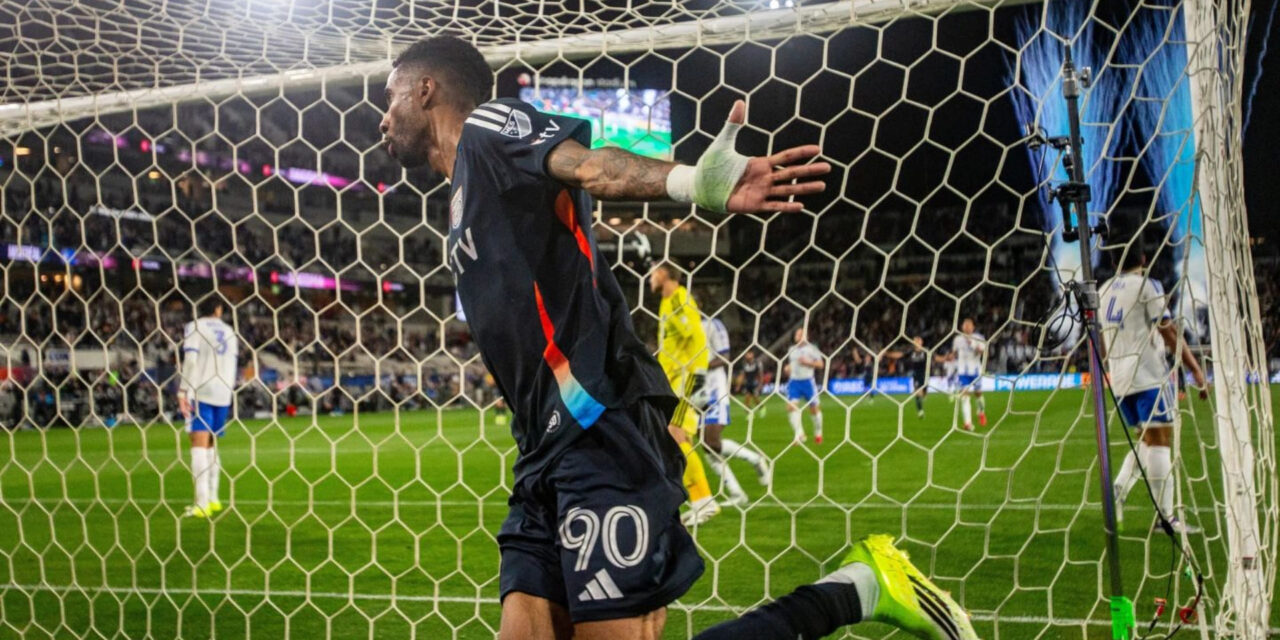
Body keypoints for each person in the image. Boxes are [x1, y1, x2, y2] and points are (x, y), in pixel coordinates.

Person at [378, 35, 976, 640]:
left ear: (426, 89)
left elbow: (592, 166)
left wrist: (695, 183)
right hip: (540, 448)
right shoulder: (463, 192)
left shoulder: (486, 128)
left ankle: (858, 588)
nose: (381, 117)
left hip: (597, 427)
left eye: (390, 94)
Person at [1101, 246, 1209, 534]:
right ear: (1143, 259)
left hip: (1120, 380)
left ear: (1114, 261)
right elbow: (1168, 330)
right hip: (1147, 374)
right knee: (1160, 441)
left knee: (1147, 443)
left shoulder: (1103, 290)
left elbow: (1102, 339)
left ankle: (1120, 488)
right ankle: (1166, 519)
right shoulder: (1148, 286)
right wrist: (1195, 369)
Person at [649, 263, 719, 526]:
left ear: (666, 275)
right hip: (675, 377)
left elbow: (690, 331)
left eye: (655, 272)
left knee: (675, 435)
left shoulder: (678, 297)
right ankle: (701, 499)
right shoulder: (667, 302)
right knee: (675, 436)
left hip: (688, 376)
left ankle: (705, 501)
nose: (651, 277)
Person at [701, 315, 771, 508]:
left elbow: (724, 356)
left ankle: (756, 460)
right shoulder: (680, 327)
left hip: (715, 389)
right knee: (707, 446)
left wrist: (699, 366)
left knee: (712, 440)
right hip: (695, 392)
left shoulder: (713, 324)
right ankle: (737, 493)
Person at [177, 296, 238, 519]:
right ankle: (213, 499)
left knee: (198, 445)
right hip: (223, 392)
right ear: (219, 309)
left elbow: (191, 360)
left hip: (201, 390)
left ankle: (201, 503)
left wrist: (183, 390)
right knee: (212, 445)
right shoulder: (230, 331)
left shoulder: (195, 326)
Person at [785, 328, 826, 444]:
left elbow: (821, 364)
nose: (798, 336)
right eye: (797, 334)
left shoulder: (812, 349)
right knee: (790, 407)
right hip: (794, 382)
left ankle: (818, 433)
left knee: (814, 409)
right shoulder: (791, 349)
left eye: (801, 334)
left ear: (806, 336)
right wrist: (788, 368)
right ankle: (800, 434)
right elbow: (792, 364)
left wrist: (808, 362)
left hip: (808, 382)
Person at [946, 319, 986, 431]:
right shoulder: (957, 339)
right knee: (964, 396)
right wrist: (949, 357)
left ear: (973, 327)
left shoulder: (979, 338)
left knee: (978, 394)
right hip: (962, 371)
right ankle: (968, 423)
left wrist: (972, 344)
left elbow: (981, 352)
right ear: (962, 327)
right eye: (965, 325)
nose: (967, 327)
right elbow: (954, 353)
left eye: (969, 325)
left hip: (976, 370)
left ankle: (981, 412)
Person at [888, 336, 931, 419]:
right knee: (918, 392)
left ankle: (922, 396)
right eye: (915, 341)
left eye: (918, 340)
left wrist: (946, 358)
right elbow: (899, 355)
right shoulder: (911, 352)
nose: (917, 342)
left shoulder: (926, 351)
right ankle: (920, 411)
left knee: (924, 394)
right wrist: (888, 354)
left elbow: (936, 358)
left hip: (925, 374)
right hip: (916, 374)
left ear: (921, 342)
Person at [737, 349, 764, 414]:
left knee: (755, 399)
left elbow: (760, 374)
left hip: (755, 383)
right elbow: (742, 375)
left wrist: (760, 384)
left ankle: (762, 408)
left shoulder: (758, 363)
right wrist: (738, 385)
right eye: (746, 354)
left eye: (749, 354)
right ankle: (749, 414)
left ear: (752, 354)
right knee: (747, 399)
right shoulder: (744, 364)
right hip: (748, 383)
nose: (747, 355)